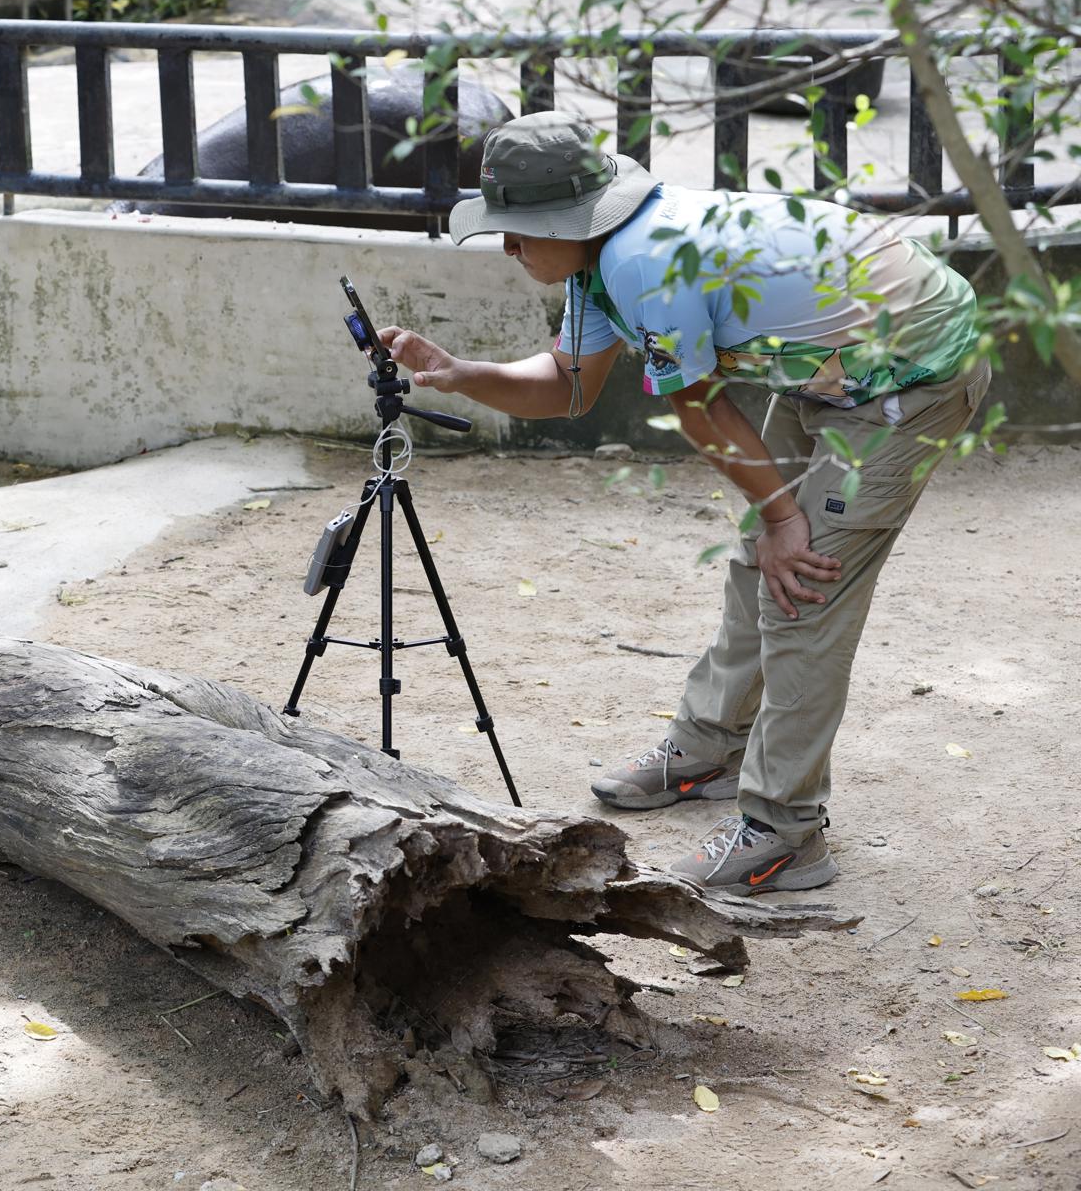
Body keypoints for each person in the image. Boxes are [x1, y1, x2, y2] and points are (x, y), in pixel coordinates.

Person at [380, 111, 990, 896]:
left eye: (517, 229)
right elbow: (569, 387)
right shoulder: (596, 264)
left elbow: (699, 406)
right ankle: (708, 749)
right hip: (832, 369)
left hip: (910, 374)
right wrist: (464, 372)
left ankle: (785, 835)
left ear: (568, 220)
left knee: (804, 585)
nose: (506, 246)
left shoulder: (643, 262)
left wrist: (784, 518)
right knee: (760, 564)